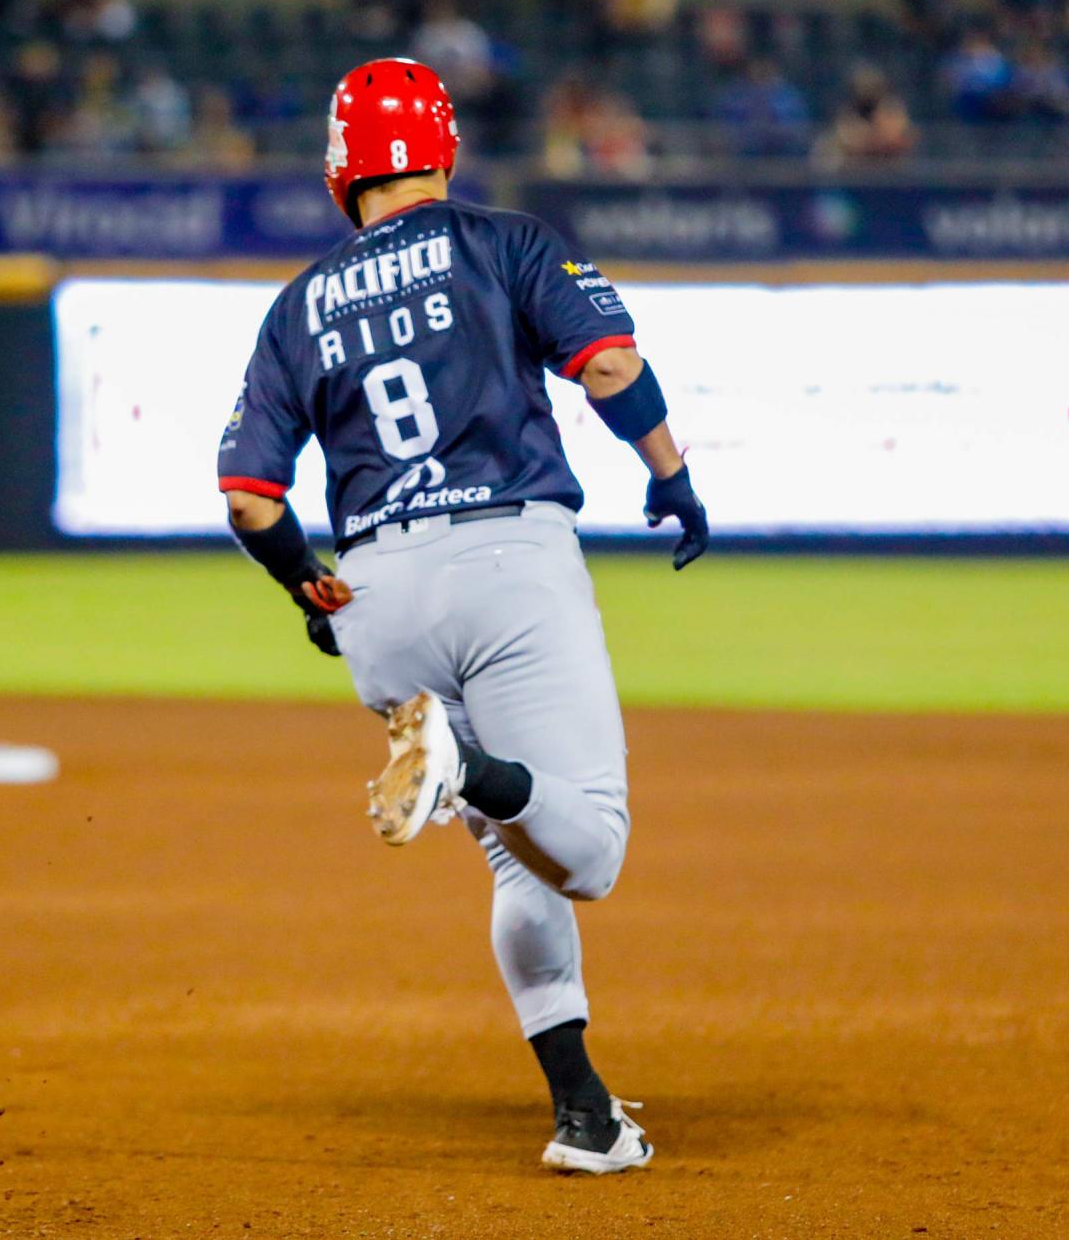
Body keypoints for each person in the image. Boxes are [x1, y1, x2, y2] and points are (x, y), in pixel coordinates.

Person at [215, 57, 708, 1174]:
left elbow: (249, 498)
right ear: (440, 147)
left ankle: (584, 1114)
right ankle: (456, 763)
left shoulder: (297, 305)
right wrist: (670, 474)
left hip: (378, 599)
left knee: (516, 867)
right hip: (507, 562)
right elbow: (610, 362)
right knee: (584, 851)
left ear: (344, 166)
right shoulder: (506, 243)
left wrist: (311, 584)